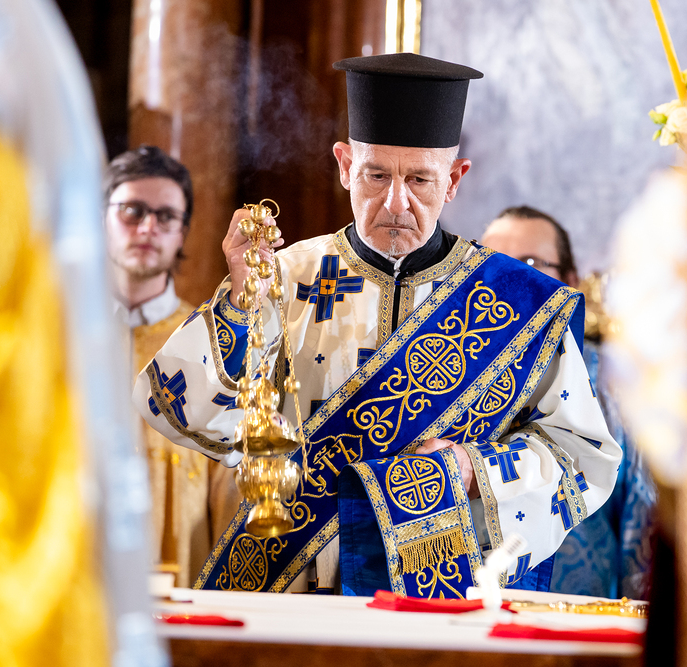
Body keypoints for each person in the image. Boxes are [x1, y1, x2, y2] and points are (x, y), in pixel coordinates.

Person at [133, 53, 621, 597]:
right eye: (376, 175)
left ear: (454, 179)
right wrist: (240, 304)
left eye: (419, 179)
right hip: (299, 595)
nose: (395, 202)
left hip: (453, 600)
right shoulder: (284, 277)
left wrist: (472, 468)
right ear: (345, 165)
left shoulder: (521, 302)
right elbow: (181, 413)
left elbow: (583, 459)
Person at [481, 206, 655, 599]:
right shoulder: (448, 373)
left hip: (575, 609)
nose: (508, 277)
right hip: (464, 601)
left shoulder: (613, 380)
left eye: (530, 263)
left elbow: (642, 513)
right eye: (491, 262)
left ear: (571, 283)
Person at [106, 145, 239, 586]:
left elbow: (228, 485)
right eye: (132, 211)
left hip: (182, 578)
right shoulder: (62, 336)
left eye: (165, 216)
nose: (148, 227)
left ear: (182, 233)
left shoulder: (208, 342)